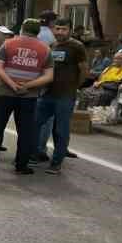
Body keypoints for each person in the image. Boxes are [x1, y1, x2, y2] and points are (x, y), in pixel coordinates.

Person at [0, 18, 54, 175]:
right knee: (25, 131)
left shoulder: (8, 44)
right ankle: (21, 165)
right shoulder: (45, 49)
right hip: (29, 96)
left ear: (22, 29)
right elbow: (48, 76)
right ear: (38, 32)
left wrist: (11, 84)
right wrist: (28, 85)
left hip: (5, 93)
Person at [33, 18, 87, 174]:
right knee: (35, 123)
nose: (59, 32)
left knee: (61, 129)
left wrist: (76, 86)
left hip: (65, 95)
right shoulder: (52, 46)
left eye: (63, 29)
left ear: (69, 30)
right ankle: (34, 154)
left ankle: (56, 163)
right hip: (47, 93)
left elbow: (83, 69)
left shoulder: (77, 46)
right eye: (57, 29)